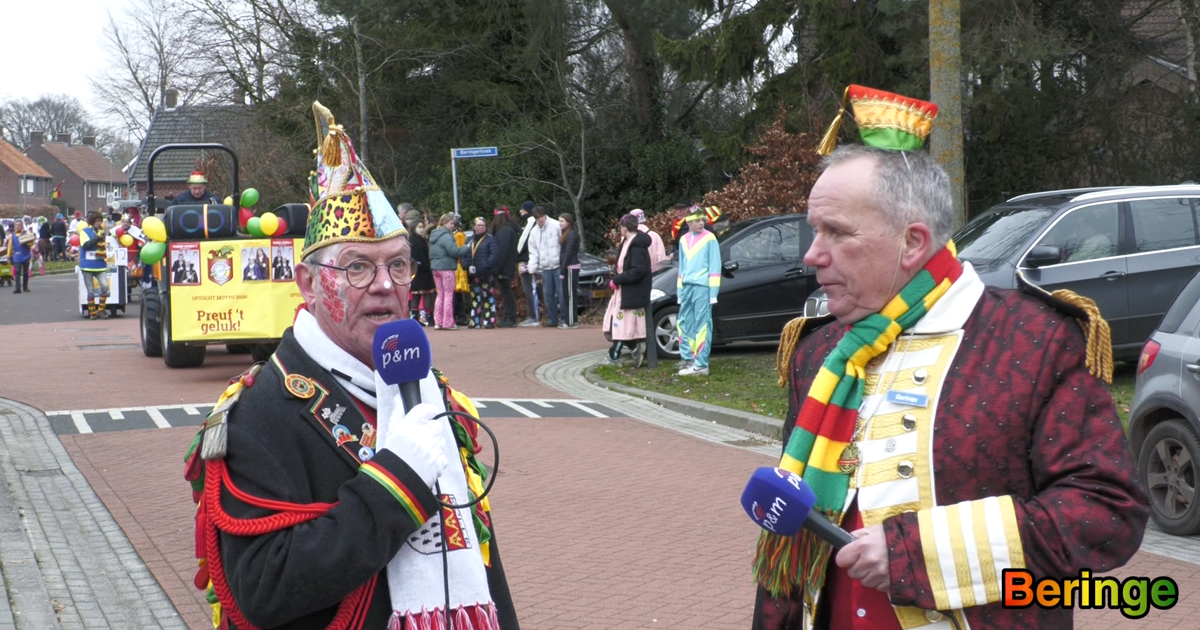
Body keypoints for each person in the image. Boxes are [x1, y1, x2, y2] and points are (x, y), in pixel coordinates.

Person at [752, 85, 1147, 630]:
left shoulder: (1034, 339)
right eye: (814, 231)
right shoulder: (819, 351)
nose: (812, 255)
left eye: (836, 233)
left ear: (912, 243)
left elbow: (1106, 512)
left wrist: (918, 553)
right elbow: (788, 539)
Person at [183, 101, 518, 630]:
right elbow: (261, 590)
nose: (386, 285)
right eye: (358, 267)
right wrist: (397, 484)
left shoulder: (431, 393)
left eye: (399, 265)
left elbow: (479, 563)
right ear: (310, 284)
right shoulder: (260, 412)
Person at [675, 206, 721, 376]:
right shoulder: (683, 240)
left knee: (702, 324)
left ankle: (701, 364)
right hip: (687, 287)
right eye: (697, 221)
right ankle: (689, 359)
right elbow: (682, 267)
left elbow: (715, 266)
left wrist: (713, 293)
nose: (701, 223)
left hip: (702, 287)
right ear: (689, 223)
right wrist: (680, 291)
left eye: (702, 220)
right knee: (684, 322)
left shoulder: (710, 238)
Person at [601, 215, 652, 367]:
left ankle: (614, 355)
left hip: (632, 291)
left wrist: (618, 279)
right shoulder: (627, 242)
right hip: (625, 290)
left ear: (623, 228)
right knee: (620, 323)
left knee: (623, 324)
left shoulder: (636, 247)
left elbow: (639, 270)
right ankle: (634, 347)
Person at [460, 216, 500, 329]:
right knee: (474, 297)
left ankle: (489, 320)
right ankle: (475, 320)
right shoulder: (469, 240)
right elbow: (463, 254)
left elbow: (494, 255)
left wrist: (485, 266)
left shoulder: (490, 239)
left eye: (483, 225)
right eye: (478, 225)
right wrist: (465, 265)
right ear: (474, 227)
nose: (481, 227)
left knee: (488, 296)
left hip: (486, 274)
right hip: (473, 275)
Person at [527, 205, 562, 327]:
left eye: (542, 217)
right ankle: (552, 319)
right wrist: (533, 266)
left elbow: (562, 244)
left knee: (561, 294)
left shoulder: (556, 225)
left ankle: (564, 318)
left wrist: (563, 260)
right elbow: (533, 250)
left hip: (558, 265)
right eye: (538, 218)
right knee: (548, 295)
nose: (540, 220)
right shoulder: (534, 232)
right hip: (546, 267)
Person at [428, 213, 463, 330]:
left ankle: (438, 321)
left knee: (440, 294)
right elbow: (454, 251)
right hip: (446, 268)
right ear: (444, 223)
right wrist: (466, 248)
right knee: (448, 294)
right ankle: (448, 322)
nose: (453, 225)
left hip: (435, 268)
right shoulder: (446, 236)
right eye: (451, 223)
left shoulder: (433, 235)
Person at [491, 207, 520, 327]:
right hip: (507, 266)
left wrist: (497, 268)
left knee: (506, 292)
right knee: (506, 292)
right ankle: (509, 316)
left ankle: (510, 317)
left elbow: (502, 251)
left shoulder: (505, 230)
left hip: (504, 267)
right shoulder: (508, 229)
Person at [79, 211, 109, 317]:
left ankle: (101, 309)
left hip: (100, 264)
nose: (99, 223)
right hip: (87, 265)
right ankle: (92, 312)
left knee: (105, 287)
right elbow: (86, 245)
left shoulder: (102, 232)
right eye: (96, 221)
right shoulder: (85, 232)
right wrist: (97, 238)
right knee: (90, 291)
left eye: (100, 220)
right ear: (92, 221)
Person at [515, 202, 540, 326]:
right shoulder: (532, 222)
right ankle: (534, 315)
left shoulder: (530, 221)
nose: (520, 211)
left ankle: (534, 316)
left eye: (522, 209)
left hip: (528, 261)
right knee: (530, 288)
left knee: (530, 288)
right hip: (530, 260)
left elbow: (522, 242)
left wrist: (517, 256)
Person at [407, 218, 435, 326]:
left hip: (417, 270)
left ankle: (415, 317)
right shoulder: (417, 241)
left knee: (417, 295)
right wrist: (427, 266)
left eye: (422, 227)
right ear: (414, 228)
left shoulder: (415, 239)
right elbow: (421, 256)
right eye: (419, 227)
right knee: (425, 294)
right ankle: (428, 317)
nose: (421, 229)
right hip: (422, 270)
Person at [557, 213, 581, 328]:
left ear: (569, 222)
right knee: (568, 294)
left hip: (571, 267)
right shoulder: (567, 234)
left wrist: (562, 270)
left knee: (570, 295)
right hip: (568, 266)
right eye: (559, 221)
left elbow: (568, 253)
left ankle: (570, 321)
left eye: (562, 221)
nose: (560, 223)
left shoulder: (571, 234)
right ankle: (571, 319)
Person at [6, 221, 33, 294]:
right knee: (17, 272)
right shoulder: (12, 235)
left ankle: (25, 287)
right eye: (16, 225)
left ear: (22, 226)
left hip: (26, 255)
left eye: (19, 225)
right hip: (17, 256)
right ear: (14, 226)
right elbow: (10, 246)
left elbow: (31, 243)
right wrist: (8, 256)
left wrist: (27, 243)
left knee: (26, 273)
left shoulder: (27, 233)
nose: (18, 226)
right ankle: (17, 288)